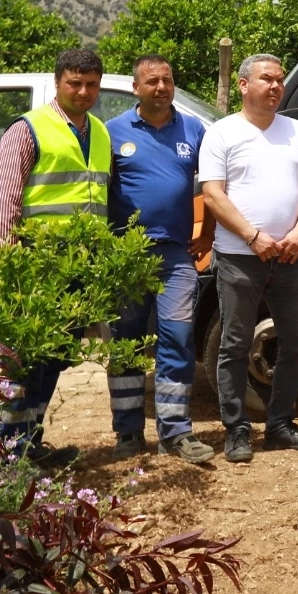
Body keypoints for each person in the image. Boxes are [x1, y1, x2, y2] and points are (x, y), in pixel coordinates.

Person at [0, 47, 111, 469]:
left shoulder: (100, 132)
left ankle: (29, 442)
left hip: (79, 268)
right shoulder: (27, 130)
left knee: (54, 356)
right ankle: (7, 451)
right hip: (35, 267)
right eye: (75, 83)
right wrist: (4, 266)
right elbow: (3, 201)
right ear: (58, 83)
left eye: (91, 84)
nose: (83, 92)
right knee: (21, 359)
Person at [199, 53, 298, 462]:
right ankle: (236, 430)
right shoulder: (222, 133)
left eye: (280, 80)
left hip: (289, 255)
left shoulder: (296, 131)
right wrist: (253, 237)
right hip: (239, 257)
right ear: (242, 85)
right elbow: (213, 194)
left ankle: (280, 425)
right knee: (234, 344)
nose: (275, 86)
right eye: (267, 79)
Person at [105, 55, 216, 464]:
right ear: (136, 88)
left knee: (178, 338)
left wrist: (208, 232)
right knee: (127, 343)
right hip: (127, 255)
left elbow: (214, 184)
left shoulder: (194, 130)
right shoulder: (111, 132)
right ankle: (128, 433)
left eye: (167, 80)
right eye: (152, 81)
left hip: (176, 254)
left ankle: (175, 433)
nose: (162, 87)